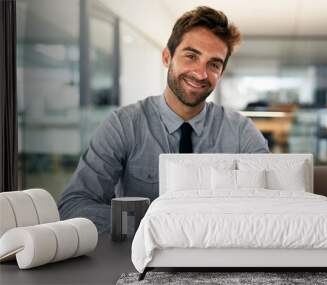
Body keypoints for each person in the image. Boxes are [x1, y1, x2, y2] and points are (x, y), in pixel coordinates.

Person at [58, 6, 269, 233]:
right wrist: (156, 226)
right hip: (138, 259)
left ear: (221, 73)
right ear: (167, 57)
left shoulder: (241, 131)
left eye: (214, 64)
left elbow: (272, 204)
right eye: (191, 56)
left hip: (219, 256)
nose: (200, 73)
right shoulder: (124, 125)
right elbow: (74, 205)